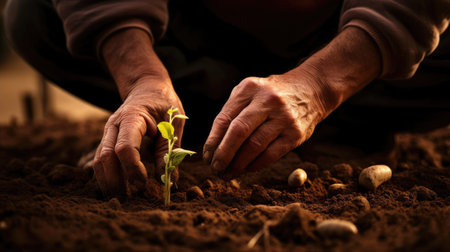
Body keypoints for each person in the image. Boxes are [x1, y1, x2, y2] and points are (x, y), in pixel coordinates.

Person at [4, 0, 450, 196]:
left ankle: (330, 122)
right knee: (34, 16)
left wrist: (319, 84)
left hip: (351, 40)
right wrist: (141, 75)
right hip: (188, 40)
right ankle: (200, 130)